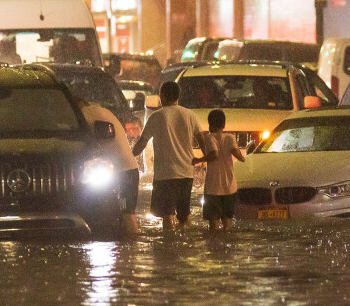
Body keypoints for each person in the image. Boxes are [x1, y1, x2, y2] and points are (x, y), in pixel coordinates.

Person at [132, 81, 205, 231]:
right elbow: (203, 142)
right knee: (184, 216)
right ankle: (184, 244)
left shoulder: (157, 116)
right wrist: (205, 159)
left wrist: (128, 156)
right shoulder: (190, 115)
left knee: (167, 215)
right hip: (186, 173)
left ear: (162, 96)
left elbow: (142, 143)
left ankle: (169, 246)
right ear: (178, 96)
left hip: (165, 175)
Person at [78, 99, 140, 235]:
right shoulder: (101, 110)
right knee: (124, 213)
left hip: (123, 172)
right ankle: (128, 249)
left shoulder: (86, 114)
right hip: (124, 170)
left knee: (126, 213)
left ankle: (132, 244)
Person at [192, 109, 245, 231]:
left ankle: (215, 247)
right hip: (230, 187)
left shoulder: (209, 138)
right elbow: (239, 157)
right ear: (224, 125)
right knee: (227, 222)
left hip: (213, 188)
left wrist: (198, 160)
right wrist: (244, 155)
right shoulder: (230, 137)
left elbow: (214, 154)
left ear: (210, 124)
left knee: (213, 224)